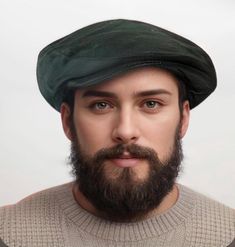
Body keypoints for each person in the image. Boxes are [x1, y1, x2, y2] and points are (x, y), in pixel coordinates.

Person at [0, 19, 234, 247]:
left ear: (183, 119)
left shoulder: (228, 234)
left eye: (151, 104)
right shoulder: (8, 233)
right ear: (68, 121)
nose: (125, 131)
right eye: (101, 105)